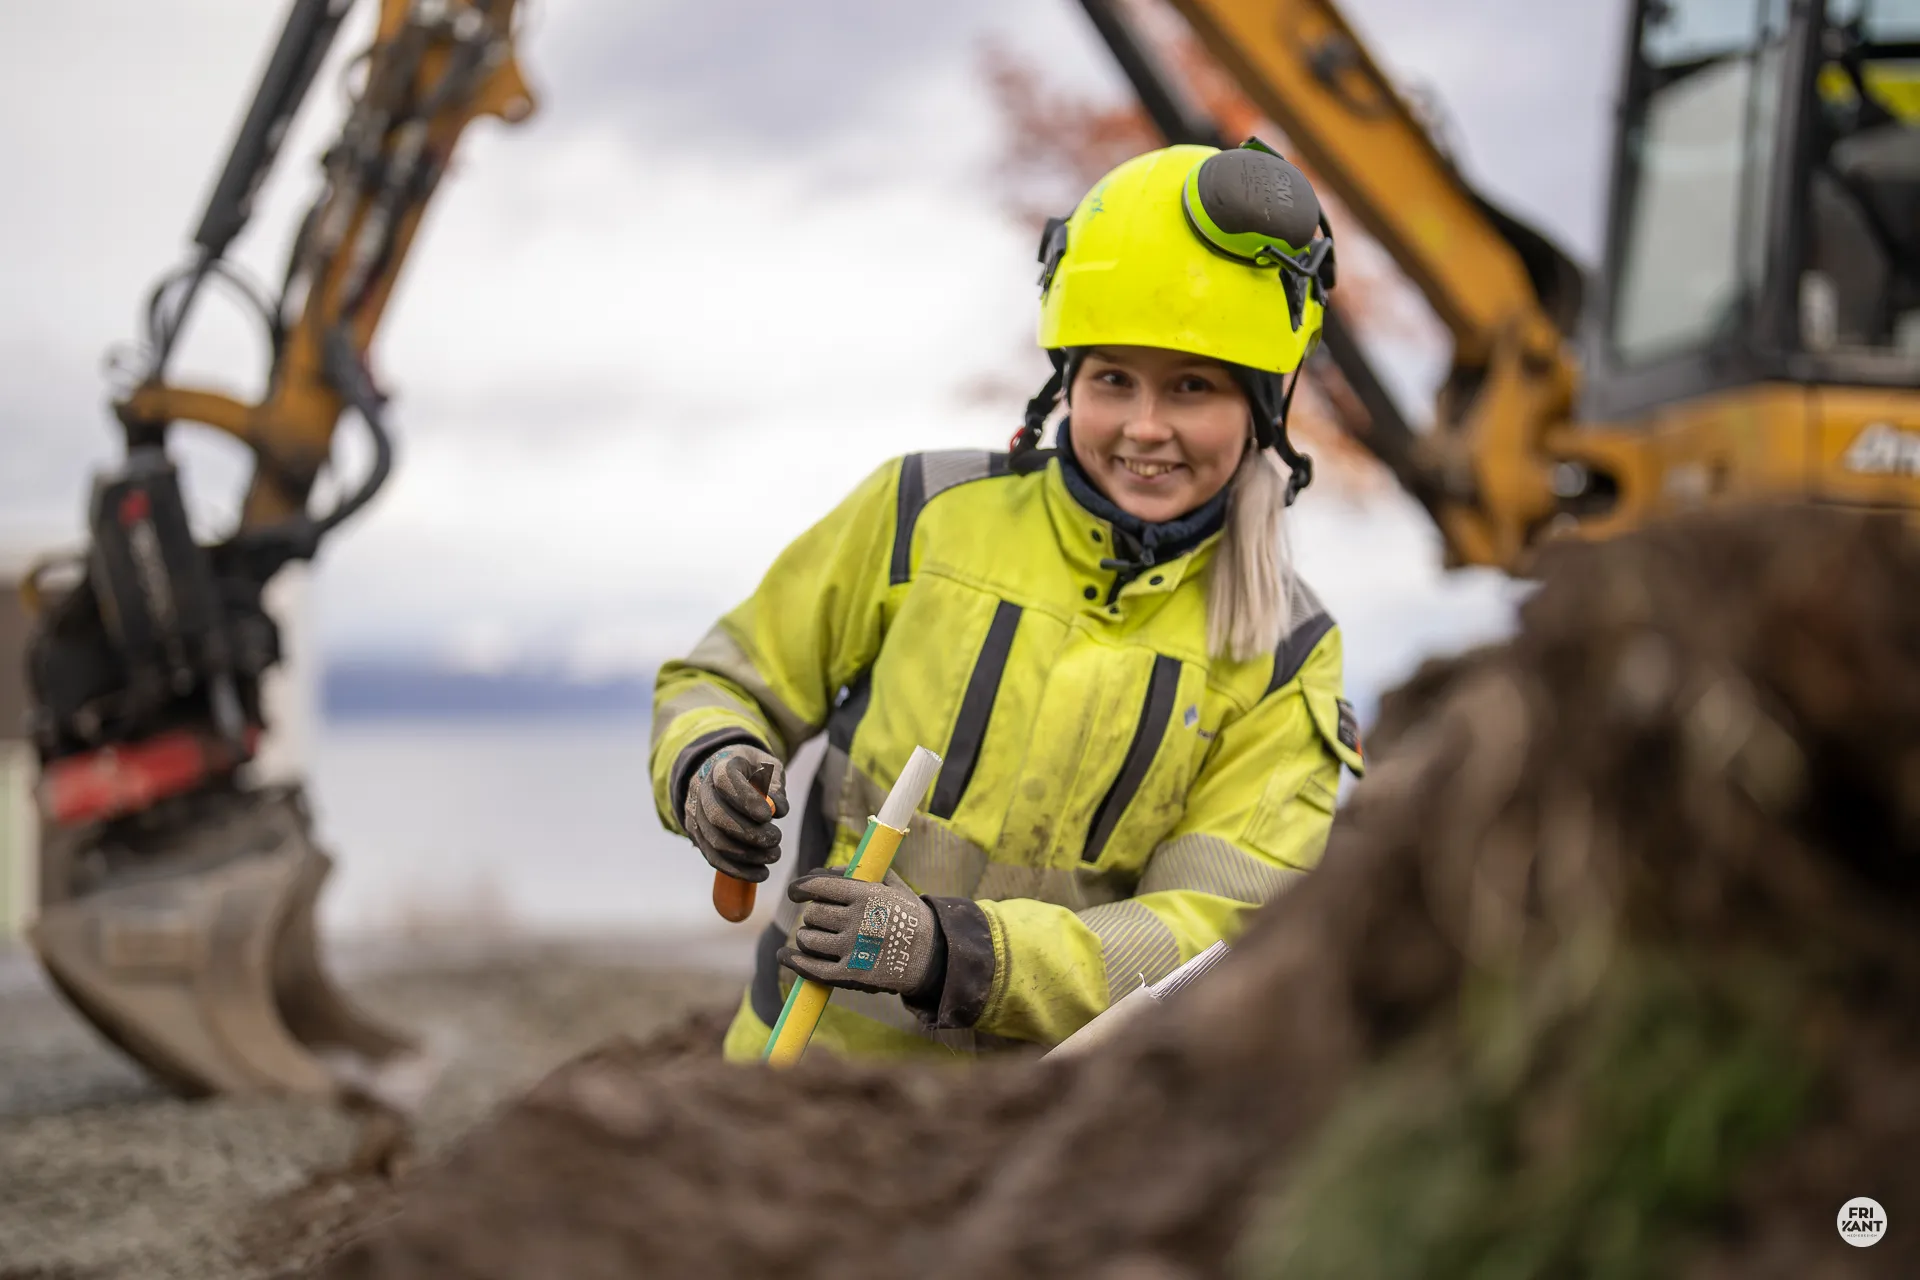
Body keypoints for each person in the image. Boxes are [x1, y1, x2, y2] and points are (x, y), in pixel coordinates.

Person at [650, 141, 1366, 1063]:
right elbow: (724, 677)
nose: (1146, 428)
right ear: (1066, 384)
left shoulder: (1288, 652)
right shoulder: (921, 512)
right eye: (1113, 380)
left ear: (1263, 411)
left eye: (1194, 386)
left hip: (1035, 1153)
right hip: (792, 1099)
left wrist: (956, 953)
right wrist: (713, 762)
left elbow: (1214, 934)